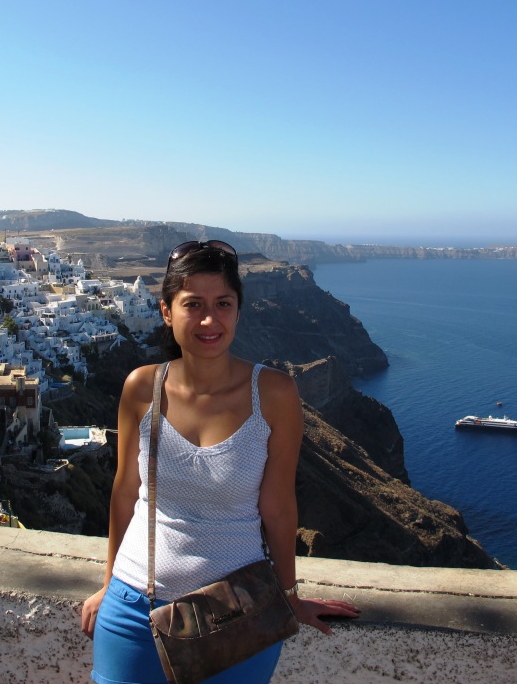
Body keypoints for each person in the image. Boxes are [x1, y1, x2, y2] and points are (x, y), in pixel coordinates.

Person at [81, 240, 360, 683]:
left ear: (238, 310)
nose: (210, 320)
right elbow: (125, 492)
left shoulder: (274, 393)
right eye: (193, 304)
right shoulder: (140, 388)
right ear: (166, 311)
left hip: (240, 614)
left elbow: (278, 508)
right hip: (133, 606)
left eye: (223, 304)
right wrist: (107, 584)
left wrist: (289, 596)